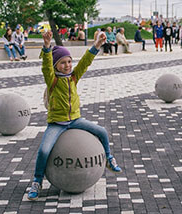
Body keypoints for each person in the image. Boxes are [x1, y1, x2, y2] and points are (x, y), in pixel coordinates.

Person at [27, 31, 122, 200]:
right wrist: (47, 47)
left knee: (102, 131)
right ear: (56, 65)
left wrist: (97, 45)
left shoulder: (73, 78)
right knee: (44, 150)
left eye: (69, 61)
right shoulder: (53, 80)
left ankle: (108, 158)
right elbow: (46, 66)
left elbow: (85, 62)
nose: (67, 65)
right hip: (57, 123)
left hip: (75, 120)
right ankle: (37, 181)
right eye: (63, 63)